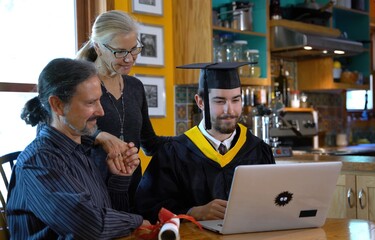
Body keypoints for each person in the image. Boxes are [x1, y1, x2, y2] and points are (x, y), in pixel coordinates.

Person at [7, 58, 150, 239]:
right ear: (57, 105)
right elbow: (90, 227)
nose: (101, 111)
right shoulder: (39, 161)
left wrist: (119, 179)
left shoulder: (79, 149)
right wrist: (137, 221)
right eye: (90, 103)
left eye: (99, 101)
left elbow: (108, 219)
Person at [135, 62, 275, 223]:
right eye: (219, 101)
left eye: (235, 100)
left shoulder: (258, 150)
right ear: (200, 102)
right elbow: (147, 207)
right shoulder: (174, 153)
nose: (229, 110)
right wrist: (193, 212)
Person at [75, 10, 170, 210]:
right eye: (120, 52)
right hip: (89, 194)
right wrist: (99, 136)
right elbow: (59, 135)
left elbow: (150, 144)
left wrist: (196, 139)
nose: (129, 59)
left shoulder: (135, 86)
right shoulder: (80, 84)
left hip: (132, 192)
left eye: (134, 49)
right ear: (98, 48)